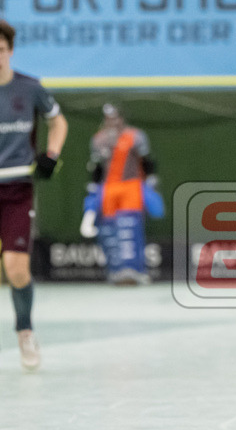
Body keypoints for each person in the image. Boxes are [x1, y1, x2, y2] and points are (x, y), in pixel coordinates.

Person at [0, 19, 68, 372]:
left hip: (16, 190)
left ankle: (25, 330)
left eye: (0, 50)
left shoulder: (29, 89)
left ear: (10, 51)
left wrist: (51, 155)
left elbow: (58, 122)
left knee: (16, 269)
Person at [82, 103, 162, 285]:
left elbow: (147, 161)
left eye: (115, 117)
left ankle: (135, 270)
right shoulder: (98, 140)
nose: (112, 122)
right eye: (108, 118)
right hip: (109, 188)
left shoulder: (135, 136)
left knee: (130, 227)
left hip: (131, 186)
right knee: (109, 229)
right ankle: (116, 270)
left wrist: (151, 182)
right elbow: (96, 168)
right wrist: (93, 189)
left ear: (122, 118)